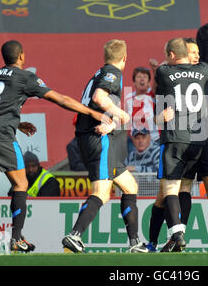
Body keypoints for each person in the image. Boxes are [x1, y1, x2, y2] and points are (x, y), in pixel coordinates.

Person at [0, 40, 108, 254]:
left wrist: (15, 121)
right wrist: (92, 113)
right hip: (1, 135)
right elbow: (60, 99)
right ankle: (16, 238)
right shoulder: (25, 76)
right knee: (21, 183)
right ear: (21, 57)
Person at [147, 38, 208, 253]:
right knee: (173, 191)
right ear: (183, 53)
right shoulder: (200, 71)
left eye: (199, 52)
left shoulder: (193, 73)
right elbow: (160, 111)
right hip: (183, 136)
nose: (197, 56)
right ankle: (159, 241)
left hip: (202, 139)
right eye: (193, 52)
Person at [62, 39, 148, 254]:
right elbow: (99, 98)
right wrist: (122, 115)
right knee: (102, 192)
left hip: (92, 137)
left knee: (130, 187)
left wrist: (112, 123)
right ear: (125, 58)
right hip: (96, 139)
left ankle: (135, 243)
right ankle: (75, 235)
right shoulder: (112, 73)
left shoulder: (100, 71)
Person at [123, 67, 158, 143]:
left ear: (149, 82)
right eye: (139, 77)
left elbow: (156, 85)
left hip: (153, 139)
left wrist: (155, 70)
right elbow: (127, 121)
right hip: (135, 140)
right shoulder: (128, 98)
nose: (142, 79)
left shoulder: (152, 95)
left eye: (145, 77)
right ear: (134, 82)